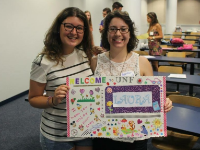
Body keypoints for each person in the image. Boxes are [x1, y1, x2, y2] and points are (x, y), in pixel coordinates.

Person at [91, 11, 172, 150]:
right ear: (106, 33)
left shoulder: (142, 62)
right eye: (113, 29)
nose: (118, 34)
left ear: (130, 33)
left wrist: (164, 101)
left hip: (135, 138)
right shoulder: (94, 62)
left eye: (123, 29)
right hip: (103, 135)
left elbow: (153, 98)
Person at [28, 7, 93, 150]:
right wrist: (53, 99)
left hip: (85, 130)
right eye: (69, 26)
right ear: (59, 27)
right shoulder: (43, 61)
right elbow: (33, 98)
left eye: (79, 28)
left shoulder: (84, 55)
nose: (74, 32)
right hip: (57, 134)